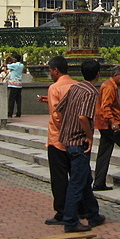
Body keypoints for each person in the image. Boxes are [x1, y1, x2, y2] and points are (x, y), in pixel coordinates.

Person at [56, 60, 106, 233]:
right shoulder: (91, 92)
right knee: (77, 183)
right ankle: (70, 221)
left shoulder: (74, 87)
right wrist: (89, 136)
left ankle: (93, 214)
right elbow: (83, 117)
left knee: (84, 180)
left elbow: (60, 108)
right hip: (79, 143)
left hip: (67, 140)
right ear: (98, 74)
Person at [39, 56, 83, 225]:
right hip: (76, 138)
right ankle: (79, 208)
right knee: (76, 176)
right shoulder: (77, 86)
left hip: (58, 138)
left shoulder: (54, 88)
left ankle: (62, 211)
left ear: (56, 70)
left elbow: (57, 115)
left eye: (50, 70)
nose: (50, 73)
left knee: (59, 178)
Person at [5, 53, 24, 118]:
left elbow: (5, 65)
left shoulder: (14, 65)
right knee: (18, 99)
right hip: (19, 84)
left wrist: (6, 59)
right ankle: (19, 112)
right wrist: (11, 58)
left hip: (13, 84)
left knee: (11, 99)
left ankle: (10, 113)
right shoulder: (21, 65)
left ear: (16, 59)